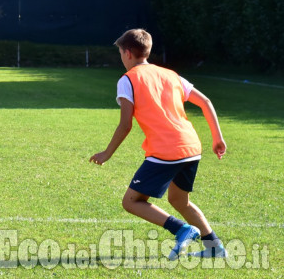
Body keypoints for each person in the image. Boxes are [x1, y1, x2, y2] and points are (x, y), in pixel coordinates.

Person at [90, 29, 227, 260]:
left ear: (128, 53)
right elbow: (205, 101)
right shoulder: (170, 75)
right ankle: (214, 247)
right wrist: (217, 138)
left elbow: (125, 125)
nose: (121, 58)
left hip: (166, 151)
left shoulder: (128, 80)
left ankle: (181, 229)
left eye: (121, 53)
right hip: (191, 147)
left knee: (131, 201)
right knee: (178, 200)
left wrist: (107, 153)